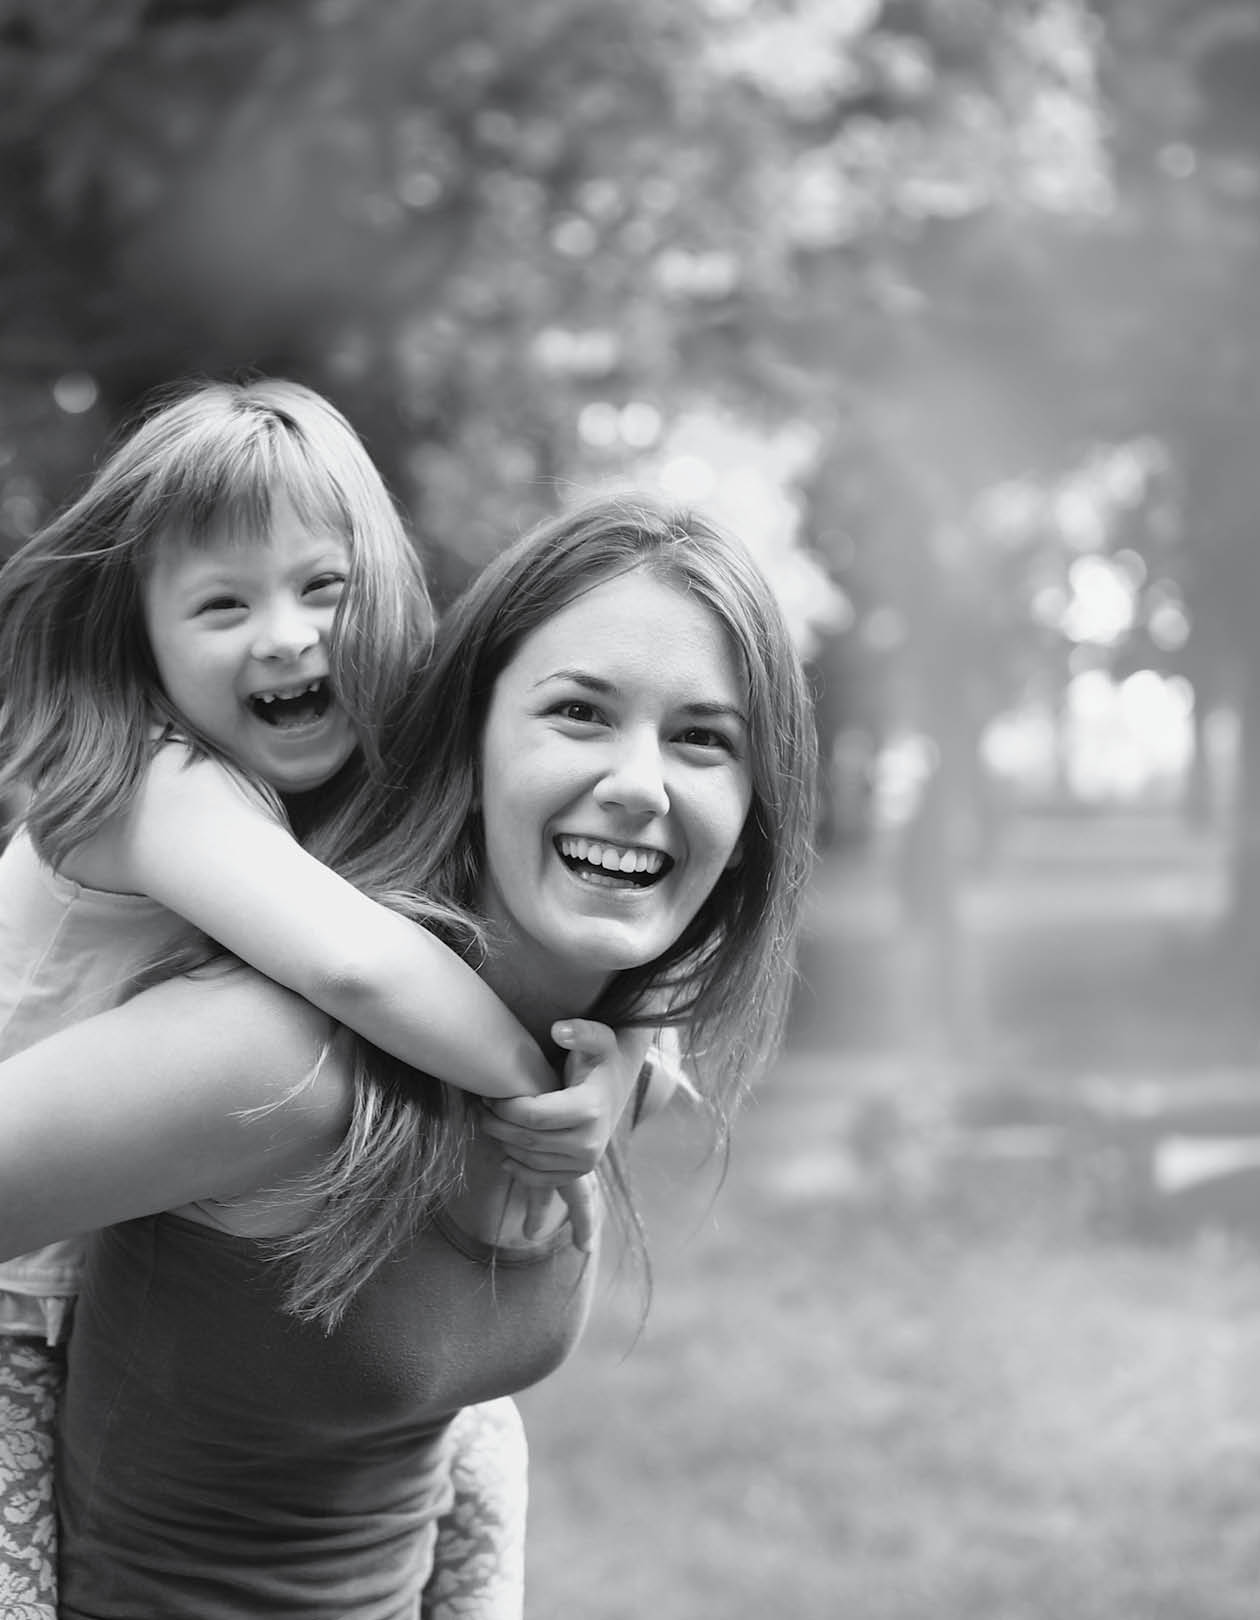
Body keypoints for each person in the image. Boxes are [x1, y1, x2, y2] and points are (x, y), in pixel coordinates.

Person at [0, 492, 818, 1617]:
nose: (640, 785)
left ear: (751, 814)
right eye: (579, 712)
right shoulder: (284, 1066)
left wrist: (620, 1060)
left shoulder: (591, 1065)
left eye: (702, 738)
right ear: (468, 740)